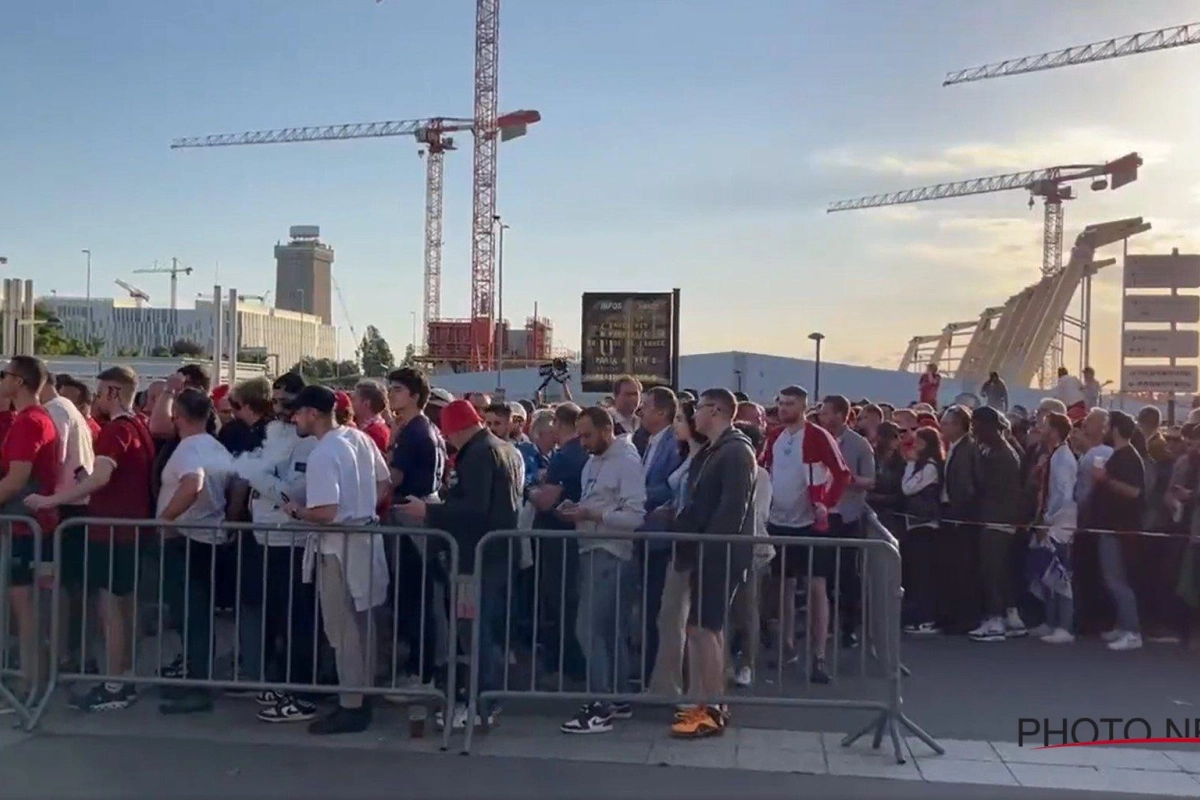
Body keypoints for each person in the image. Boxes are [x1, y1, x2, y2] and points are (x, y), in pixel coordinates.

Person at [30, 365, 155, 711]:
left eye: (100, 392)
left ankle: (115, 684)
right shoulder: (138, 426)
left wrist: (54, 499)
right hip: (128, 529)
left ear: (113, 392)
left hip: (112, 530)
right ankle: (123, 678)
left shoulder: (117, 429)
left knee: (111, 607)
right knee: (124, 605)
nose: (97, 398)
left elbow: (101, 476)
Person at [396, 400, 521, 732]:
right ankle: (485, 701)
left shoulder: (479, 454)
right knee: (483, 631)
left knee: (476, 632)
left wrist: (430, 512)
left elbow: (475, 509)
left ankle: (483, 704)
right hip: (492, 552)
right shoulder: (501, 449)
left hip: (477, 555)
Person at [284, 385, 391, 734]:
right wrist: (362, 507)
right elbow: (383, 482)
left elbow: (326, 511)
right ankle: (363, 692)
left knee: (342, 628)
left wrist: (297, 511)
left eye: (298, 413)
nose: (293, 419)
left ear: (312, 413)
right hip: (365, 537)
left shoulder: (323, 454)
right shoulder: (359, 439)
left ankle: (352, 704)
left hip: (338, 545)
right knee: (365, 623)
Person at [668, 388, 757, 740]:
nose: (695, 415)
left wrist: (709, 546)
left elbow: (731, 510)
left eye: (700, 408)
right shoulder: (717, 449)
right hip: (707, 550)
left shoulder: (735, 452)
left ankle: (713, 708)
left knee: (707, 630)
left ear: (716, 410)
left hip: (719, 552)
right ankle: (704, 701)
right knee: (700, 629)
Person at [557, 407, 646, 735]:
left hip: (611, 552)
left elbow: (636, 516)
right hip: (593, 549)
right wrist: (579, 510)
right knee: (607, 631)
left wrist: (594, 515)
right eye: (579, 435)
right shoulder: (595, 460)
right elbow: (597, 502)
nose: (582, 442)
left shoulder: (626, 462)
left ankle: (600, 705)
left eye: (587, 435)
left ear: (607, 429)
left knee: (589, 629)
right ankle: (618, 697)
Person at [235, 390, 321, 724]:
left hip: (291, 540)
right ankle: (283, 681)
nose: (283, 415)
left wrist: (261, 479)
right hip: (268, 537)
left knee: (296, 619)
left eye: (289, 410)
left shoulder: (309, 445)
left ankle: (301, 689)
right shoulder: (278, 441)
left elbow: (296, 491)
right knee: (276, 616)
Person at [761, 385, 850, 680]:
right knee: (782, 587)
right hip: (778, 521)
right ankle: (786, 648)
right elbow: (764, 469)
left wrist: (825, 503)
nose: (783, 408)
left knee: (815, 588)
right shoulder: (775, 437)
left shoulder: (817, 436)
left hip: (811, 523)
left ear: (802, 406)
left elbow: (841, 473)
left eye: (789, 404)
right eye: (781, 402)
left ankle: (818, 656)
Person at [155, 388, 234, 715]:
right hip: (208, 535)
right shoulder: (215, 446)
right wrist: (230, 515)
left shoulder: (189, 449)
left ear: (179, 417)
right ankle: (196, 678)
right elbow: (237, 483)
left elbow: (192, 484)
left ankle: (199, 686)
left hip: (187, 537)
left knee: (192, 615)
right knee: (197, 615)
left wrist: (166, 518)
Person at [1, 357, 61, 700]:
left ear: (19, 382)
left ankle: (30, 683)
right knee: (25, 607)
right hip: (27, 526)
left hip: (26, 528)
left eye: (5, 375)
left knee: (25, 608)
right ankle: (30, 680)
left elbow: (16, 480)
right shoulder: (34, 419)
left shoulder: (30, 422)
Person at [384, 367, 447, 687]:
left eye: (397, 389)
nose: (391, 393)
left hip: (413, 515)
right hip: (421, 513)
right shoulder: (424, 428)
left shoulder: (415, 431)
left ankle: (421, 670)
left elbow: (393, 478)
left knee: (416, 596)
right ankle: (422, 665)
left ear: (414, 395)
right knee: (417, 595)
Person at [635, 387, 682, 686]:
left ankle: (653, 673)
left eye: (646, 406)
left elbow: (670, 487)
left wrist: (635, 496)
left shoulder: (672, 444)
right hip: (646, 533)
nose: (640, 411)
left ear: (662, 412)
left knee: (656, 609)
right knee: (646, 608)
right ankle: (645, 670)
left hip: (661, 538)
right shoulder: (650, 442)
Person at [819, 395, 874, 650]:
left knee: (848, 575)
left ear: (841, 415)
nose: (822, 416)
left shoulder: (859, 445)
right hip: (822, 514)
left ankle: (849, 627)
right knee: (823, 574)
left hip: (848, 515)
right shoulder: (816, 439)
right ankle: (825, 623)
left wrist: (844, 480)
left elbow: (870, 481)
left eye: (827, 412)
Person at [965, 406, 1024, 644]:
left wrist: (978, 460)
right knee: (1001, 571)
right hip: (1000, 517)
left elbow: (984, 485)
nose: (974, 430)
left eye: (976, 424)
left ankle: (995, 620)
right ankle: (1012, 617)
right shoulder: (1000, 450)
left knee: (992, 571)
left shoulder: (999, 455)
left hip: (997, 519)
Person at [1090, 410, 1145, 652]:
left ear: (1115, 429)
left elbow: (1134, 491)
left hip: (1120, 528)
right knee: (1111, 578)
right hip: (1109, 525)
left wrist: (1105, 480)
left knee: (1118, 580)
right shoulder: (1118, 455)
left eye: (1106, 426)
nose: (1103, 430)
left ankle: (1132, 631)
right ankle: (1123, 625)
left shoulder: (1129, 457)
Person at [1028, 412, 1078, 644]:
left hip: (1060, 524)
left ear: (1055, 430)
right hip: (1049, 522)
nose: (1041, 429)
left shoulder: (1064, 458)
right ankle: (1050, 621)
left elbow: (1063, 494)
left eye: (1046, 426)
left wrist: (1047, 519)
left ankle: (1064, 626)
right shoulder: (1053, 455)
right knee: (1047, 572)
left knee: (1061, 575)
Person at [900, 426, 942, 634]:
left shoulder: (930, 467)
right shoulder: (921, 465)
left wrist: (910, 462)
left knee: (924, 575)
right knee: (917, 575)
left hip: (926, 525)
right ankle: (918, 616)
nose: (915, 446)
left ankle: (928, 618)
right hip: (915, 525)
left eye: (920, 442)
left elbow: (908, 488)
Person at [353, 381, 391, 455]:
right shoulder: (366, 427)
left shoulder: (375, 432)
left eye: (354, 399)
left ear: (366, 403)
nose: (350, 403)